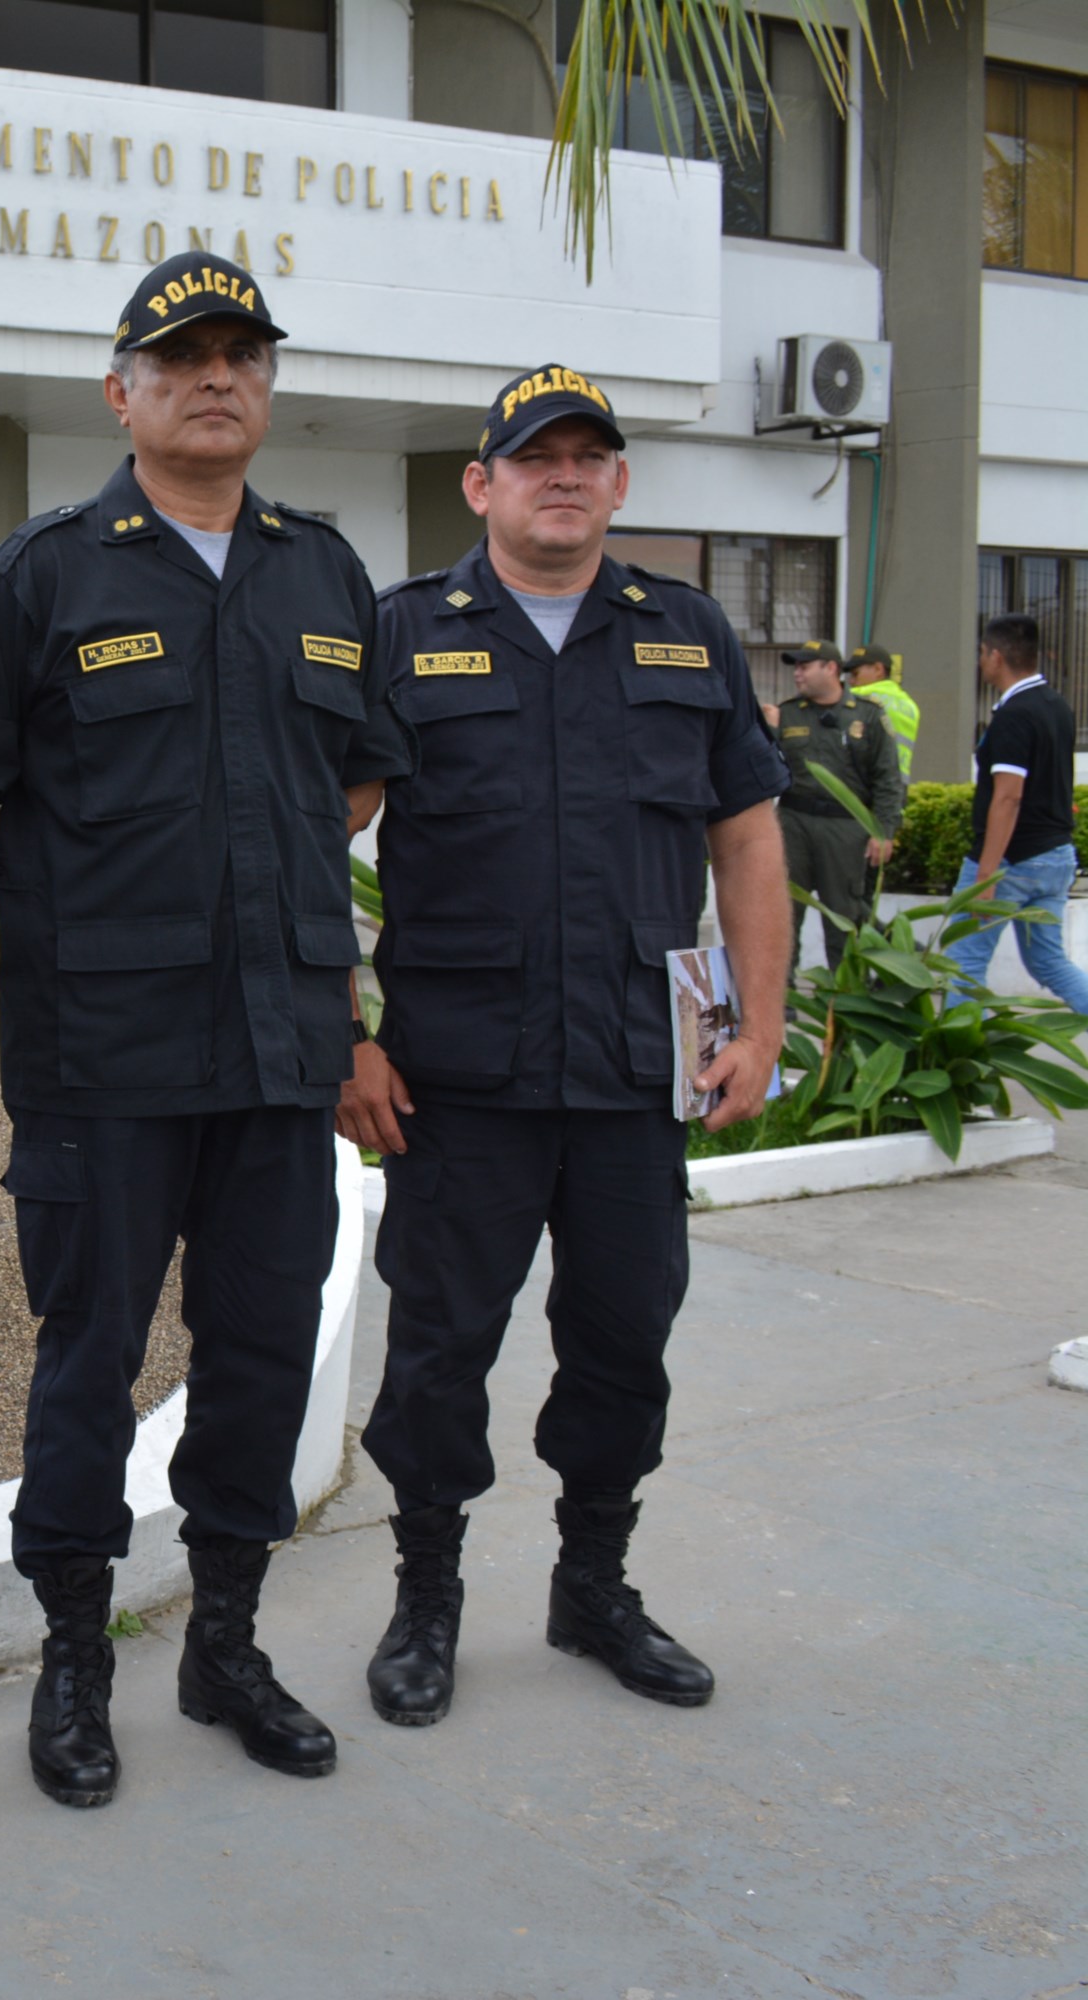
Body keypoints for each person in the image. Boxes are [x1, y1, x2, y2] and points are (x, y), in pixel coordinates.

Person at [0, 253, 407, 1808]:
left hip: (277, 1057)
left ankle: (228, 1642)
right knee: (90, 1365)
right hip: (103, 1062)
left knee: (261, 1354)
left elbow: (360, 775)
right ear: (118, 390)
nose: (216, 379)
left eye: (242, 357)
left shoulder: (324, 573)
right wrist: (82, 920)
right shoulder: (39, 575)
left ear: (266, 388)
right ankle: (75, 1656)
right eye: (180, 356)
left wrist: (268, 913)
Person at [341, 363, 790, 1732]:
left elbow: (748, 837)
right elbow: (314, 831)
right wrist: (341, 1034)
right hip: (456, 1079)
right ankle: (427, 1600)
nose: (564, 476)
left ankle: (593, 1587)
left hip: (628, 1078)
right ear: (481, 484)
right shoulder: (405, 634)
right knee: (437, 1355)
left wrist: (761, 1028)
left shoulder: (687, 633)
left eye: (589, 456)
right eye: (535, 456)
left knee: (622, 1344)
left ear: (619, 485)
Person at [944, 613, 1088, 1013]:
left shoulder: (1014, 715)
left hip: (1012, 861)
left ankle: (969, 1068)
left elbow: (1008, 797)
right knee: (1049, 962)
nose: (980, 661)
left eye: (982, 653)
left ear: (996, 656)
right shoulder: (1056, 705)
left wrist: (985, 875)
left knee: (962, 961)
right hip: (1055, 855)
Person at [770, 640, 903, 963]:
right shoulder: (785, 714)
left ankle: (841, 1003)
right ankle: (782, 1000)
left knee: (843, 917)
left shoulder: (868, 716)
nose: (797, 674)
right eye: (796, 668)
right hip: (793, 823)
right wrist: (770, 732)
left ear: (830, 668)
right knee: (784, 914)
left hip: (845, 828)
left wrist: (884, 830)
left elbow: (888, 779)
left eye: (804, 666)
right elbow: (765, 769)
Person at [847, 643, 920, 783]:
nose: (851, 681)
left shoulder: (859, 696)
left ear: (878, 669)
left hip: (868, 781)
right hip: (899, 782)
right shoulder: (910, 705)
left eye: (856, 674)